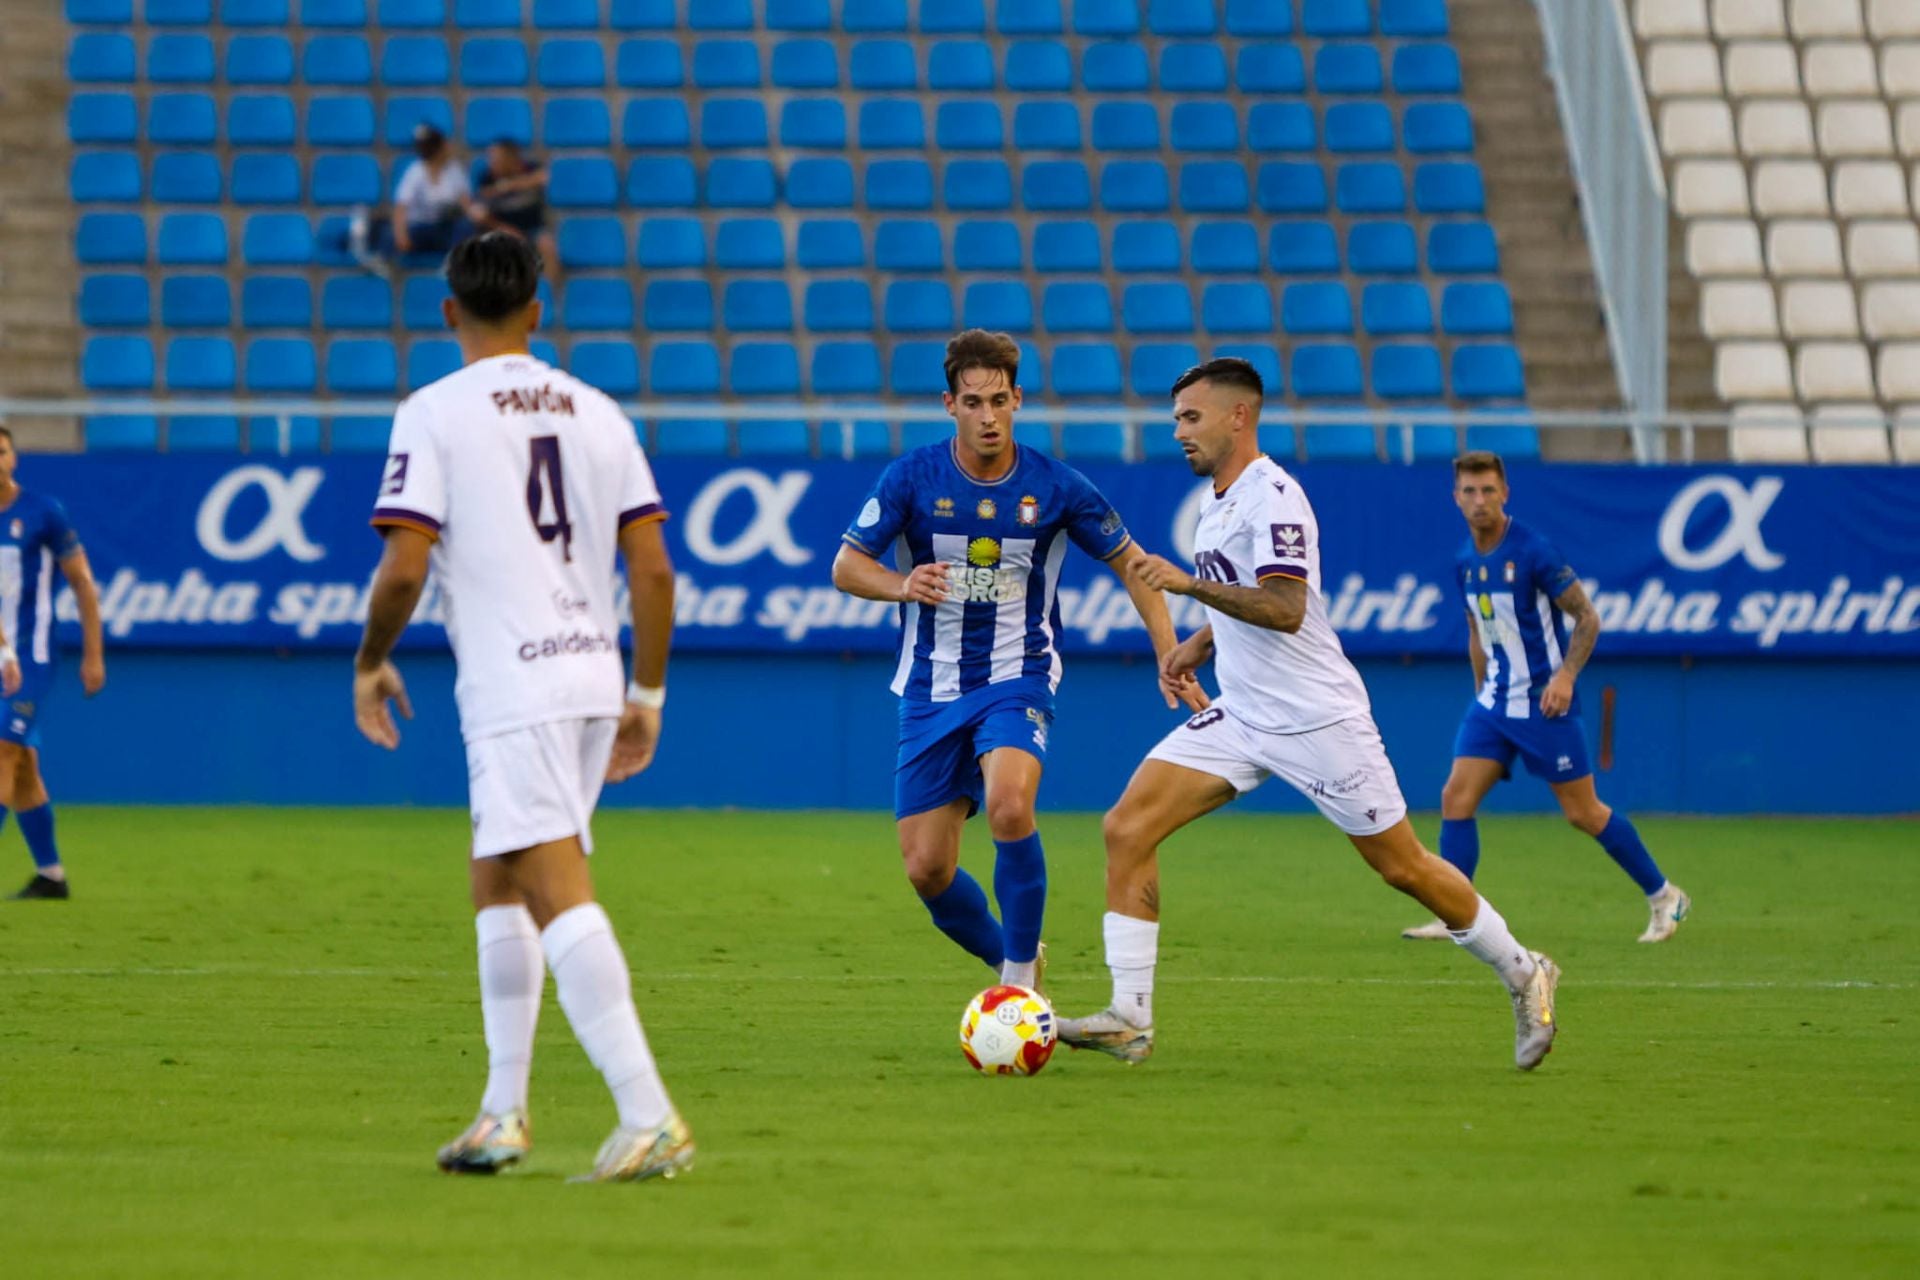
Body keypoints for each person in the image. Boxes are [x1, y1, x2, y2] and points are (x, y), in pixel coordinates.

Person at [1056, 358, 1560, 1071]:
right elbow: (1245, 595)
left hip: (1318, 719)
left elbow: (1288, 609)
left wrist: (1186, 585)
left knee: (1405, 867)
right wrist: (1198, 643)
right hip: (1244, 716)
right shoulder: (1219, 500)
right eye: (1176, 419)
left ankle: (1522, 969)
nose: (1178, 433)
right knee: (1127, 825)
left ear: (1239, 417)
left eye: (1190, 418)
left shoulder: (1275, 497)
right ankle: (1130, 1017)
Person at [352, 233, 690, 1183]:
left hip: (514, 682)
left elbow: (404, 565)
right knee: (497, 878)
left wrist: (371, 658)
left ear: (448, 311)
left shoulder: (433, 412)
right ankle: (502, 1113)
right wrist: (646, 693)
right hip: (589, 671)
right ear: (538, 312)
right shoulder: (597, 411)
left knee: (549, 883)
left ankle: (648, 1112)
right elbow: (655, 568)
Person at [830, 329, 1199, 996]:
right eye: (973, 402)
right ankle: (1011, 957)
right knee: (926, 869)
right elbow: (847, 565)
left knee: (1007, 805)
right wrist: (900, 584)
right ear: (950, 404)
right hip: (930, 686)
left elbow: (1133, 564)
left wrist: (1166, 645)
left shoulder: (1056, 487)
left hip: (1018, 673)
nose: (988, 416)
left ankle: (1022, 985)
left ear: (1018, 399)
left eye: (1000, 401)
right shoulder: (911, 478)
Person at [1400, 452, 1690, 944]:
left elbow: (1588, 617)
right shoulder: (1464, 562)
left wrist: (1566, 677)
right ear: (1456, 498)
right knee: (1456, 797)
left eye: (1488, 490)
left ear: (1505, 493)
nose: (1479, 501)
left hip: (1542, 703)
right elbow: (1477, 630)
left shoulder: (1535, 551)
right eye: (1469, 492)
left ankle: (1665, 896)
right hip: (1493, 704)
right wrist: (1481, 694)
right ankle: (1455, 913)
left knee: (1583, 813)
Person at [0, 427, 107, 901]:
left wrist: (93, 654)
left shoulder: (43, 512)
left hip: (30, 655)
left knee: (3, 750)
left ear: (14, 457)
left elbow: (82, 582)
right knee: (23, 766)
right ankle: (51, 875)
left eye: (0, 450)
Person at [349, 123, 474, 270]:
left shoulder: (454, 171)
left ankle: (455, 264)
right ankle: (381, 261)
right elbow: (401, 207)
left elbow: (466, 203)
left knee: (464, 227)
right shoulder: (415, 172)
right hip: (418, 227)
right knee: (389, 234)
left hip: (443, 228)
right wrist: (401, 235)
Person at [470, 139, 559, 286]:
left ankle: (549, 294)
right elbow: (479, 214)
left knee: (547, 245)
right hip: (502, 229)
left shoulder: (530, 168)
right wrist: (502, 228)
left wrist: (509, 185)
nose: (492, 163)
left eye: (497, 159)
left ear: (511, 159)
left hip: (533, 228)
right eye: (491, 159)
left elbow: (544, 177)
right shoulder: (486, 178)